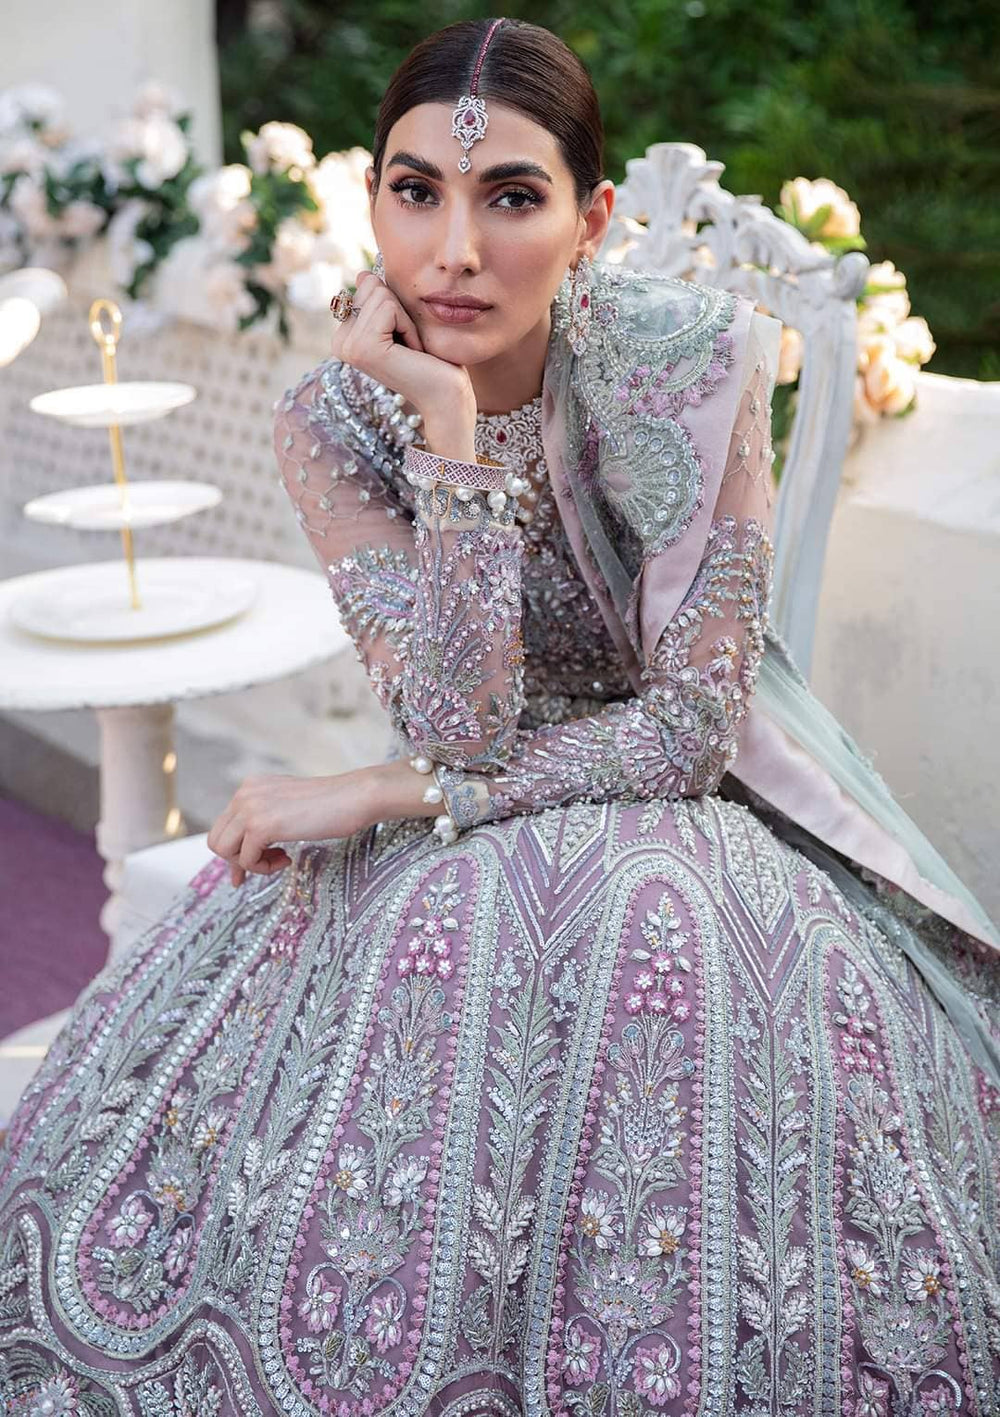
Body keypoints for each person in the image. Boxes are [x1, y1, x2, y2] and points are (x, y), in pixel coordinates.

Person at [2, 16, 999, 1415]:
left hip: (696, 806)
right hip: (471, 792)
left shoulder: (694, 365)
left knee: (638, 916)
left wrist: (377, 791)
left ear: (592, 221)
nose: (454, 250)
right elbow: (461, 723)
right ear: (372, 201)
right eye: (416, 192)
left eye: (512, 197)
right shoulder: (336, 419)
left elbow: (685, 735)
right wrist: (447, 425)